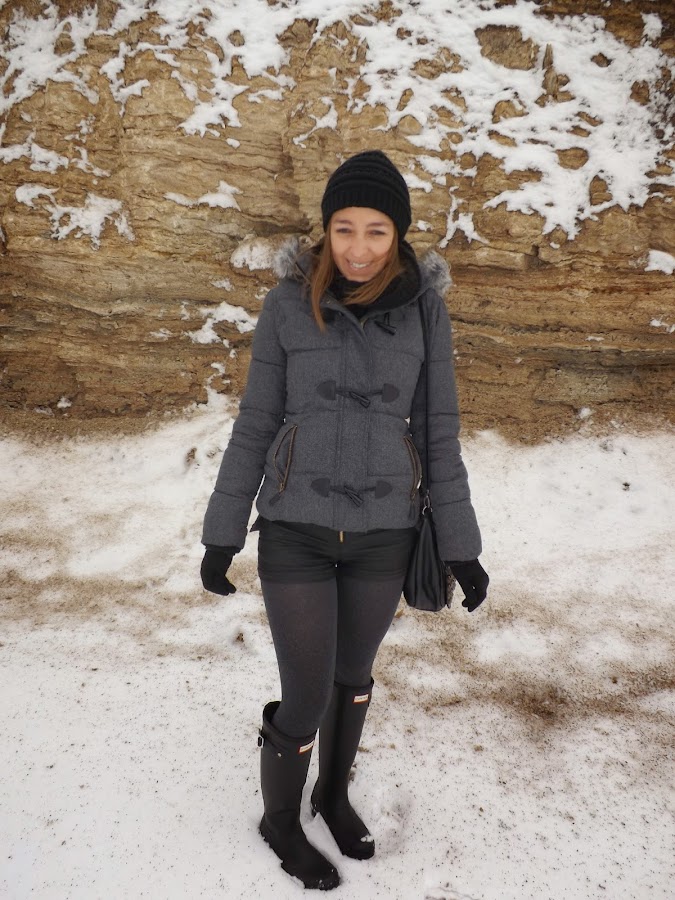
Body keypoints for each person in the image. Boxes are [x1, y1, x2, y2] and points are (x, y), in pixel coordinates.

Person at [200, 150, 489, 891]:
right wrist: (222, 531)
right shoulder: (286, 305)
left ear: (399, 235)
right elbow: (256, 420)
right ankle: (280, 819)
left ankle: (331, 795)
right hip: (294, 528)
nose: (359, 248)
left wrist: (461, 547)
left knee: (353, 674)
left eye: (377, 231)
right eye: (344, 228)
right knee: (304, 692)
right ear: (325, 230)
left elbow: (439, 432)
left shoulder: (425, 310)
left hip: (384, 532)